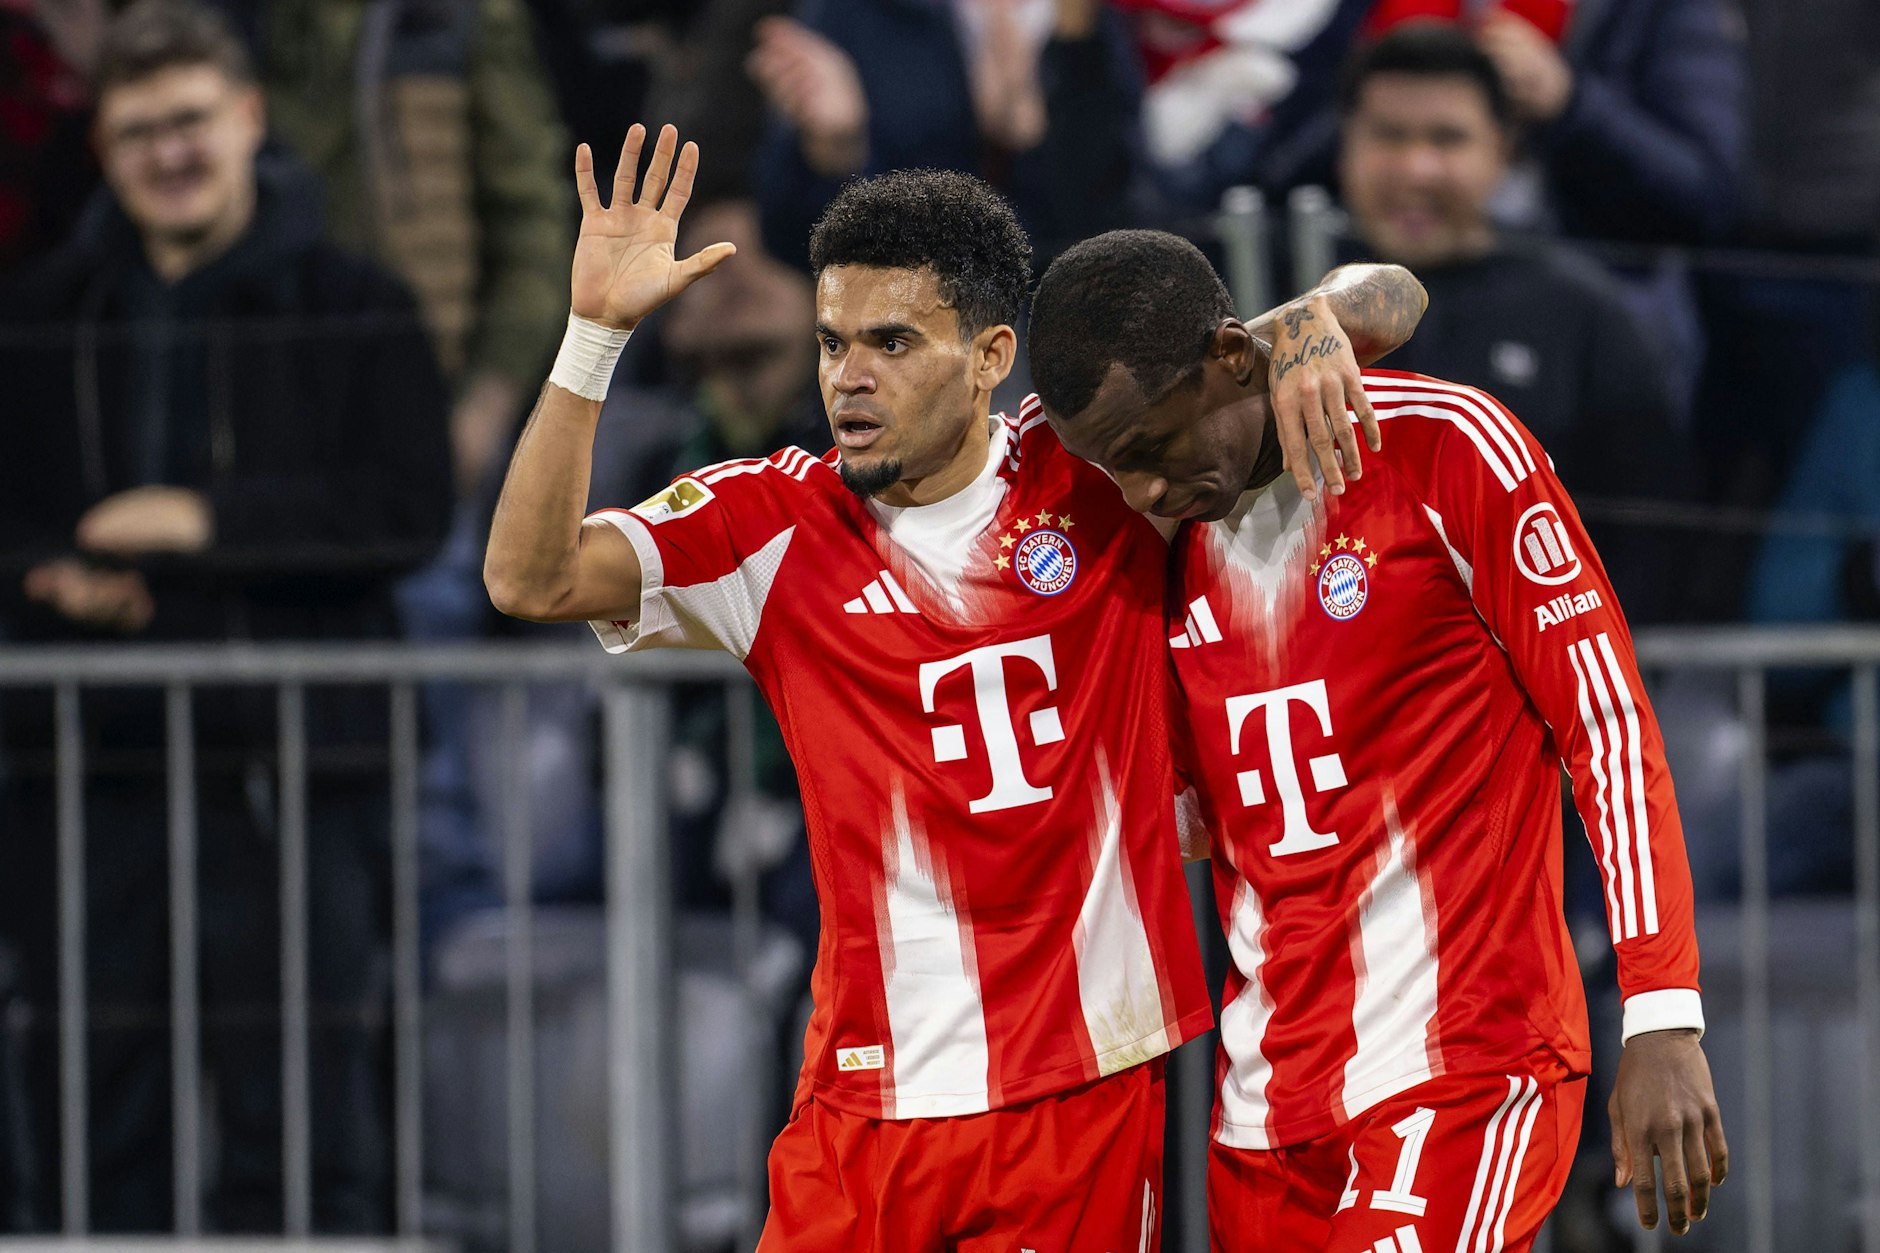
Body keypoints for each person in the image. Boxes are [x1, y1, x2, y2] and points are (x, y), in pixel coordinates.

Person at [482, 123, 1424, 1246]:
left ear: (987, 356)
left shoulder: (1096, 471)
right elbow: (526, 577)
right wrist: (592, 336)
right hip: (857, 1107)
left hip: (1069, 1093)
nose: (850, 377)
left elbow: (1393, 294)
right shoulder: (769, 526)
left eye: (890, 341)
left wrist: (1317, 312)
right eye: (832, 343)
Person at [1026, 229, 1727, 1252]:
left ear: (1229, 358)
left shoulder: (1443, 448)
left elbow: (1608, 727)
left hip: (1461, 1068)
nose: (1134, 492)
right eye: (1109, 467)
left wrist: (1661, 1012)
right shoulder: (1153, 538)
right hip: (1262, 1110)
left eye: (1146, 452)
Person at [0, 0, 451, 1230]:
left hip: (295, 765)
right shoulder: (41, 312)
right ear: (101, 148)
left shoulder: (357, 301)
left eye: (192, 120)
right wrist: (50, 572)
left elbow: (407, 504)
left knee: (305, 1094)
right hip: (92, 768)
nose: (171, 152)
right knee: (99, 1091)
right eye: (139, 130)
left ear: (250, 118)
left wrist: (203, 526)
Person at [1335, 23, 1688, 621]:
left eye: (1447, 139)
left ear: (1502, 150)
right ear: (1345, 144)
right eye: (1389, 135)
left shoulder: (1579, 310)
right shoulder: (1283, 293)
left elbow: (1652, 528)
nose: (1416, 168)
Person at [748, 0, 1143, 274]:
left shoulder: (1088, 22)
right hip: (909, 342)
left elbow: (1129, 220)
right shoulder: (855, 13)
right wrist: (839, 151)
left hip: (1059, 341)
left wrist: (1034, 140)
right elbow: (793, 240)